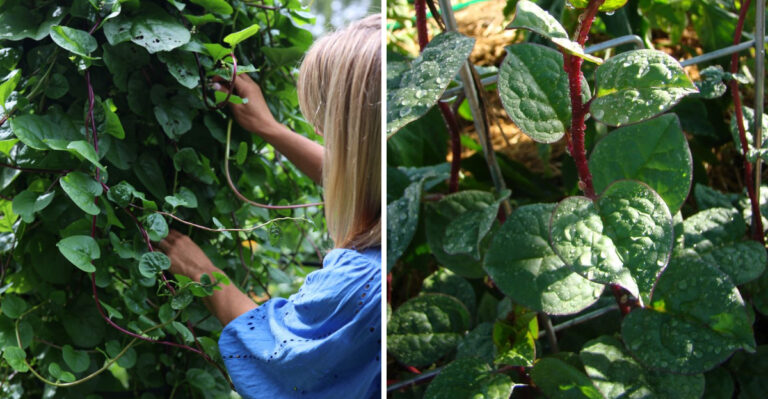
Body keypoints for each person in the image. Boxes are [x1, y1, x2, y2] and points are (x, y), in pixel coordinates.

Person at [157, 15, 381, 398]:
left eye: (328, 131)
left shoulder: (361, 282)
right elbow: (362, 173)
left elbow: (281, 353)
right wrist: (270, 128)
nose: (319, 135)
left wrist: (199, 270)